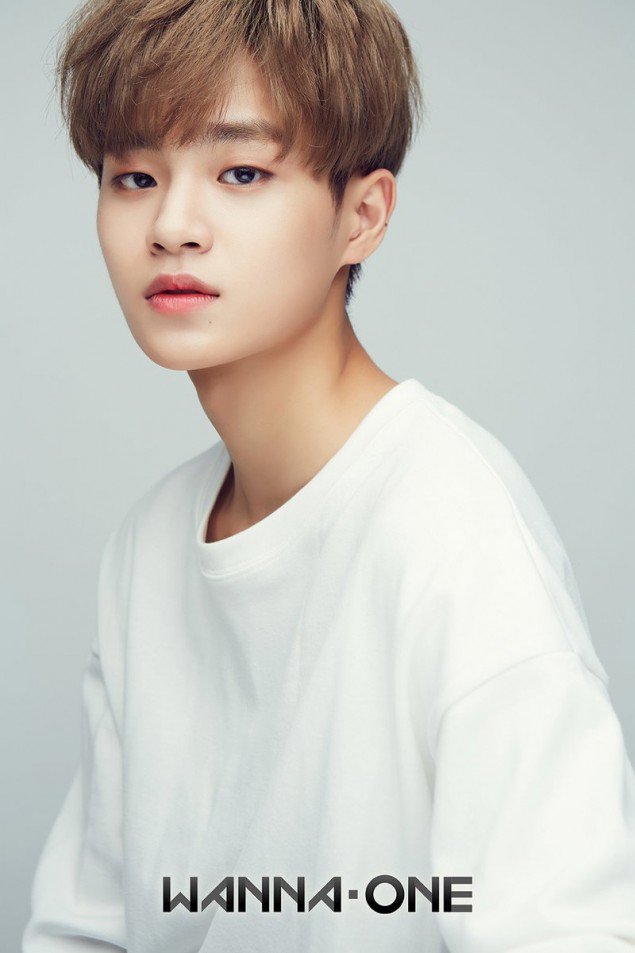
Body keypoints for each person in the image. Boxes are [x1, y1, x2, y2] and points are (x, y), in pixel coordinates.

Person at [23, 0, 635, 950]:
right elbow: (85, 928)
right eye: (134, 176)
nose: (172, 226)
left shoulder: (455, 535)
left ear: (363, 215)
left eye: (240, 172)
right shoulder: (149, 545)